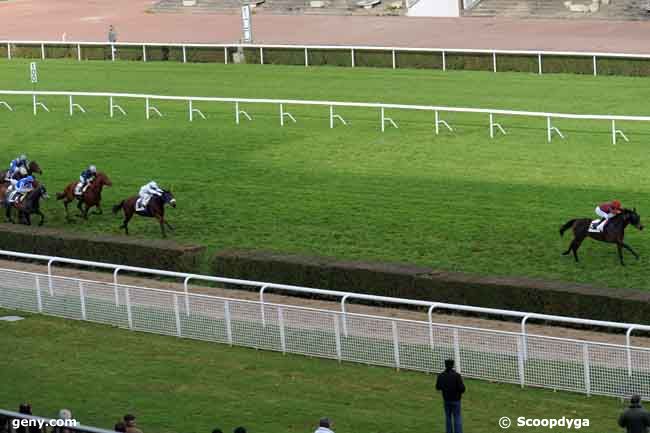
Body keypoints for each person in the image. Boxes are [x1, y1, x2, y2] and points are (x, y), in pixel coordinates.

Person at [435, 359, 465, 433]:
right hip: (456, 400)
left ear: (445, 365)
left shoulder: (441, 375)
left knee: (448, 417)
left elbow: (438, 387)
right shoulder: (457, 376)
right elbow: (462, 389)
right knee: (457, 417)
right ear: (452, 365)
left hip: (446, 400)